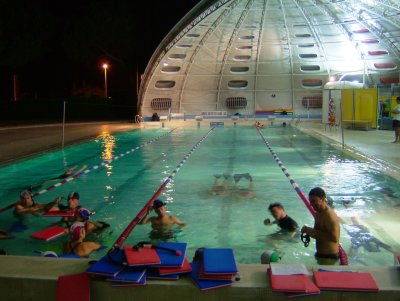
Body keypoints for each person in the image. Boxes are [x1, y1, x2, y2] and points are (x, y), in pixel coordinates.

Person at [301, 187, 340, 265]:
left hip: (329, 257)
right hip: (321, 255)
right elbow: (319, 234)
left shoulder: (329, 215)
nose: (311, 205)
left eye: (314, 201)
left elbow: (334, 238)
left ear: (322, 199)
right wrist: (308, 231)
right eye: (310, 202)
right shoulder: (319, 213)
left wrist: (312, 231)